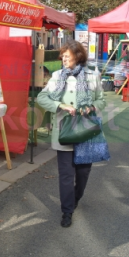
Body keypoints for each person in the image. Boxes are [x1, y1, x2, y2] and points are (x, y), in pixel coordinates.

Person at [37, 40, 106, 228]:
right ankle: (67, 210)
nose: (63, 58)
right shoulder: (58, 76)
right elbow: (42, 97)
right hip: (65, 131)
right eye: (63, 55)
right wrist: (61, 105)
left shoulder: (93, 75)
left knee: (83, 173)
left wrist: (92, 106)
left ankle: (76, 198)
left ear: (78, 56)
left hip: (85, 131)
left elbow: (101, 100)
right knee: (66, 175)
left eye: (67, 55)